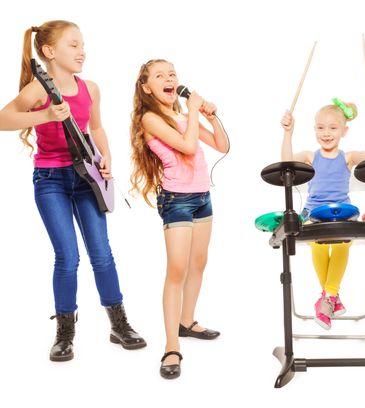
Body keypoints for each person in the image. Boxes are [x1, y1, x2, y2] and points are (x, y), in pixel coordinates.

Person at [0, 20, 146, 362]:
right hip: (51, 180)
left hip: (87, 179)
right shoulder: (37, 90)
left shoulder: (90, 88)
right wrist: (46, 115)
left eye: (82, 44)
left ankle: (119, 324)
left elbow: (97, 127)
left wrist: (106, 157)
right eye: (73, 45)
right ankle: (65, 333)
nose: (82, 51)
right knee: (67, 256)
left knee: (101, 253)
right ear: (49, 52)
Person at [130, 59, 229, 379]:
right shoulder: (150, 119)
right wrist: (195, 110)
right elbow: (187, 146)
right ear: (147, 88)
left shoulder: (184, 117)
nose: (169, 78)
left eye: (172, 73)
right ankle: (172, 346)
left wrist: (209, 118)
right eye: (160, 75)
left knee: (198, 263)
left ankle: (187, 322)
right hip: (177, 201)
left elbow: (222, 145)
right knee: (177, 270)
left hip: (202, 197)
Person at [280, 99, 365, 330]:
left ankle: (327, 297)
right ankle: (331, 296)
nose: (326, 133)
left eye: (333, 128)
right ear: (314, 129)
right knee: (319, 244)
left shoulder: (347, 157)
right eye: (321, 127)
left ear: (344, 131)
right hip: (314, 214)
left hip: (342, 214)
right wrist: (288, 133)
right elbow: (286, 162)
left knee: (342, 243)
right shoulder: (310, 156)